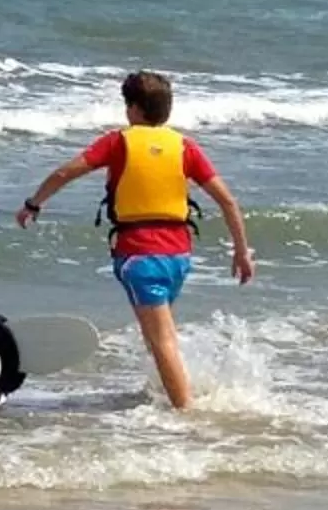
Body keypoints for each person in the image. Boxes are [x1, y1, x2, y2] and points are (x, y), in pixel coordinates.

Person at [19, 69, 255, 409]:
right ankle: (166, 393)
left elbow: (65, 172)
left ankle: (185, 414)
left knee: (161, 341)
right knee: (157, 336)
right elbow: (228, 201)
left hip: (140, 256)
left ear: (132, 109)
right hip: (179, 257)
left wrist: (33, 204)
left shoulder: (118, 142)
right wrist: (241, 252)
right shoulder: (184, 146)